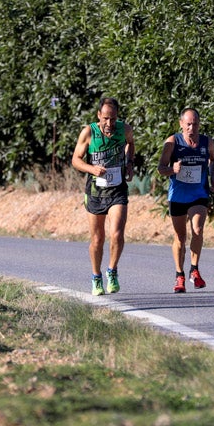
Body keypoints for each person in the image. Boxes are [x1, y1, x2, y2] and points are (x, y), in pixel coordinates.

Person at [71, 97, 135, 296]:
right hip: (95, 192)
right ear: (99, 116)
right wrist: (92, 168)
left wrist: (130, 163)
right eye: (105, 118)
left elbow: (130, 144)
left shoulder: (124, 129)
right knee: (97, 239)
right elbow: (75, 160)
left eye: (113, 119)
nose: (109, 123)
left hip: (117, 190)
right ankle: (96, 277)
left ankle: (112, 271)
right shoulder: (89, 132)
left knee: (117, 234)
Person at [157, 107, 214, 293]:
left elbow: (213, 159)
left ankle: (194, 269)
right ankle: (179, 275)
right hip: (177, 195)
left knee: (198, 229)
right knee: (180, 237)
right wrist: (172, 169)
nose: (192, 128)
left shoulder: (207, 142)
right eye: (188, 124)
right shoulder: (172, 142)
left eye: (195, 124)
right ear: (181, 124)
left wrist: (213, 177)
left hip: (199, 193)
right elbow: (161, 167)